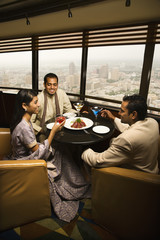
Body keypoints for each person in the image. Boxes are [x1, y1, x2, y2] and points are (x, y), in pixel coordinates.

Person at [8, 89, 91, 222]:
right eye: (35, 102)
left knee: (62, 148)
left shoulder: (25, 120)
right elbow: (38, 155)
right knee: (62, 153)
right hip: (28, 163)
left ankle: (77, 182)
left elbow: (35, 148)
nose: (38, 105)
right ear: (24, 106)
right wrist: (52, 132)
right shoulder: (23, 126)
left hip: (31, 156)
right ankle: (76, 186)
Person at [81, 94, 159, 174]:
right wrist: (113, 118)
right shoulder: (152, 122)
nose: (119, 113)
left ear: (134, 115)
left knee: (87, 160)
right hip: (152, 171)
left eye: (122, 111)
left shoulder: (126, 140)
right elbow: (130, 130)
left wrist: (83, 150)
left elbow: (97, 161)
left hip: (135, 179)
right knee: (112, 141)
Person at [31, 73, 76, 142]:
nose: (52, 87)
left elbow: (68, 110)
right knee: (46, 150)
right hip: (44, 132)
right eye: (49, 84)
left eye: (54, 85)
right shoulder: (39, 98)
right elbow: (29, 121)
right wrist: (41, 130)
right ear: (44, 85)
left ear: (57, 85)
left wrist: (78, 113)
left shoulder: (61, 94)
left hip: (61, 129)